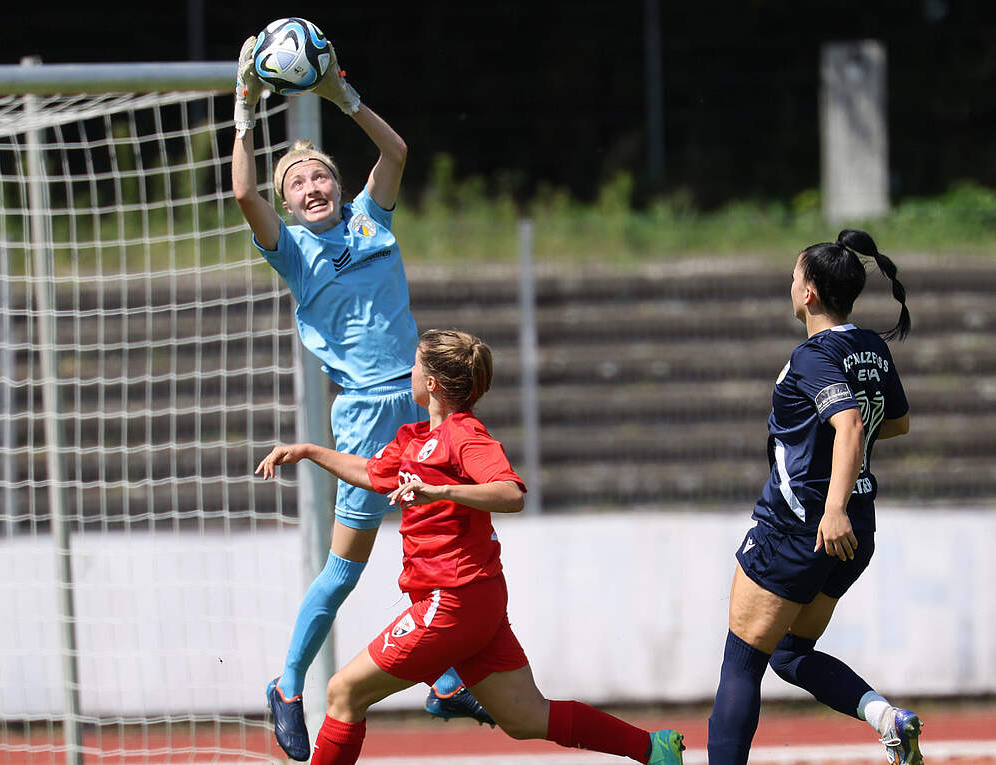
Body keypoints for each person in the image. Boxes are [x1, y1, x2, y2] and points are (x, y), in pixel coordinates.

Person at [230, 35, 491, 762]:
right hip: (367, 415)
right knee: (345, 568)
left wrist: (340, 94)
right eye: (298, 185)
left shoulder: (373, 218)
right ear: (287, 205)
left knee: (433, 542)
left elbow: (398, 149)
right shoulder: (291, 251)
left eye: (319, 177)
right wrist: (245, 107)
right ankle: (287, 686)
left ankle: (440, 679)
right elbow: (243, 192)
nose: (312, 187)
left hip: (422, 404)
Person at [255, 329, 687, 765]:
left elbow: (510, 493)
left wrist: (442, 492)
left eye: (416, 365)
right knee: (526, 718)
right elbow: (372, 474)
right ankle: (653, 749)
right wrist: (309, 451)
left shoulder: (464, 435)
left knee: (343, 691)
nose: (409, 371)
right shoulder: (413, 438)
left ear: (431, 384)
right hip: (474, 601)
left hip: (453, 600)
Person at [706, 230, 922, 765]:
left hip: (801, 526)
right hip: (857, 527)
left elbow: (849, 424)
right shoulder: (870, 346)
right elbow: (894, 422)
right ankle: (885, 718)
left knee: (742, 663)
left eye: (795, 275)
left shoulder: (812, 356)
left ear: (810, 293)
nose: (790, 281)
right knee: (789, 651)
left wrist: (829, 506)